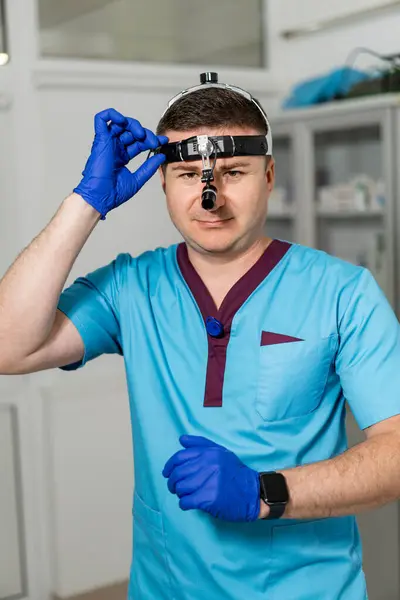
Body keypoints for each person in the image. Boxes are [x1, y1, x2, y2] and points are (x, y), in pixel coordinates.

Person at [1, 73, 400, 600]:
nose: (210, 196)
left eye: (233, 171)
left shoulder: (342, 292)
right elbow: (9, 346)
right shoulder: (130, 287)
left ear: (270, 175)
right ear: (162, 182)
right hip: (165, 588)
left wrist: (266, 492)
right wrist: (87, 200)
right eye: (188, 173)